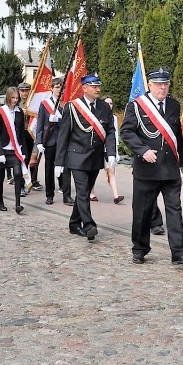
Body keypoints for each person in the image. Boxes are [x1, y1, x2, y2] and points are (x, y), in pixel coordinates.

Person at [121, 67, 183, 265]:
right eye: (159, 84)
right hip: (147, 169)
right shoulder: (136, 106)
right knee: (142, 212)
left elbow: (176, 135)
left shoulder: (173, 105)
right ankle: (140, 249)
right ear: (150, 85)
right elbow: (127, 132)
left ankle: (179, 252)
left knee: (175, 210)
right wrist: (142, 150)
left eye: (166, 84)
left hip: (169, 169)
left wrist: (181, 161)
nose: (163, 88)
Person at [54, 73, 116, 241]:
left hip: (95, 158)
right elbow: (63, 135)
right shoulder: (72, 107)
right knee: (82, 192)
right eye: (94, 86)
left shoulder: (104, 107)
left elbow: (110, 131)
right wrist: (59, 162)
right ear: (85, 88)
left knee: (86, 191)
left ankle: (74, 223)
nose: (97, 89)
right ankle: (89, 225)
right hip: (76, 156)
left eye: (98, 86)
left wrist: (111, 153)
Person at [35, 77, 74, 205]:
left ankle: (66, 195)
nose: (59, 90)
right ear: (51, 88)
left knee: (66, 168)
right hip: (50, 140)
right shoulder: (45, 104)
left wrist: (59, 119)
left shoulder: (67, 104)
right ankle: (49, 195)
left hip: (64, 141)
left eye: (61, 87)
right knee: (49, 168)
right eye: (57, 87)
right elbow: (40, 124)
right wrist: (39, 142)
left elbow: (71, 123)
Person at [0, 86, 30, 213]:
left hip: (15, 149)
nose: (15, 100)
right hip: (4, 149)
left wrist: (24, 151)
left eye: (17, 98)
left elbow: (21, 134)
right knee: (1, 177)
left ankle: (18, 204)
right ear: (8, 97)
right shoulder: (0, 112)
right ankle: (0, 202)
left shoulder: (20, 112)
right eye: (13, 98)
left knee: (18, 174)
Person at [90, 95, 123, 204]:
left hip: (108, 149)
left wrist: (115, 151)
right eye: (107, 103)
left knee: (111, 171)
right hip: (97, 148)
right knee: (93, 172)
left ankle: (116, 195)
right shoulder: (96, 115)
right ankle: (91, 193)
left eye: (111, 103)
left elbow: (114, 135)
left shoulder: (113, 117)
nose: (109, 105)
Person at [17, 82, 41, 193]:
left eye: (26, 90)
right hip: (20, 133)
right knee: (23, 158)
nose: (24, 93)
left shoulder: (34, 102)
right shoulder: (16, 102)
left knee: (33, 157)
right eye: (22, 91)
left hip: (32, 132)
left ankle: (31, 179)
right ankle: (21, 183)